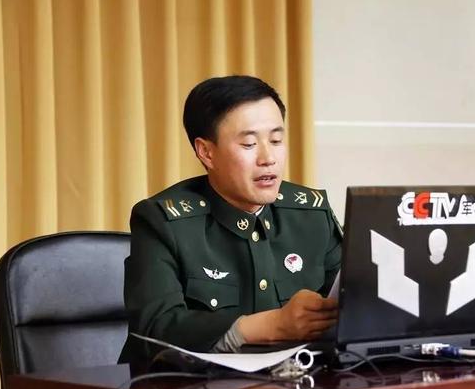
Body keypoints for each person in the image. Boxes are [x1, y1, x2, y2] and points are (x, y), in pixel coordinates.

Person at [119, 75, 341, 363]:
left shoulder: (311, 215)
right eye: (249, 144)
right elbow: (155, 329)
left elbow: (357, 303)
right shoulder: (164, 222)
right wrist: (269, 326)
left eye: (276, 140)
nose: (268, 158)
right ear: (207, 152)